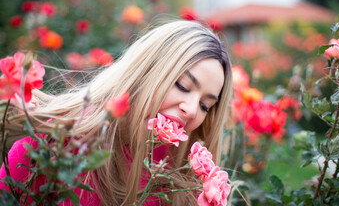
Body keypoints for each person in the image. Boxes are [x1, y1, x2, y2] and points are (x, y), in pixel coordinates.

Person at [0, 20, 233, 205]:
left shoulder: (176, 177)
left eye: (205, 105)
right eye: (182, 85)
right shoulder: (53, 143)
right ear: (145, 72)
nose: (191, 111)